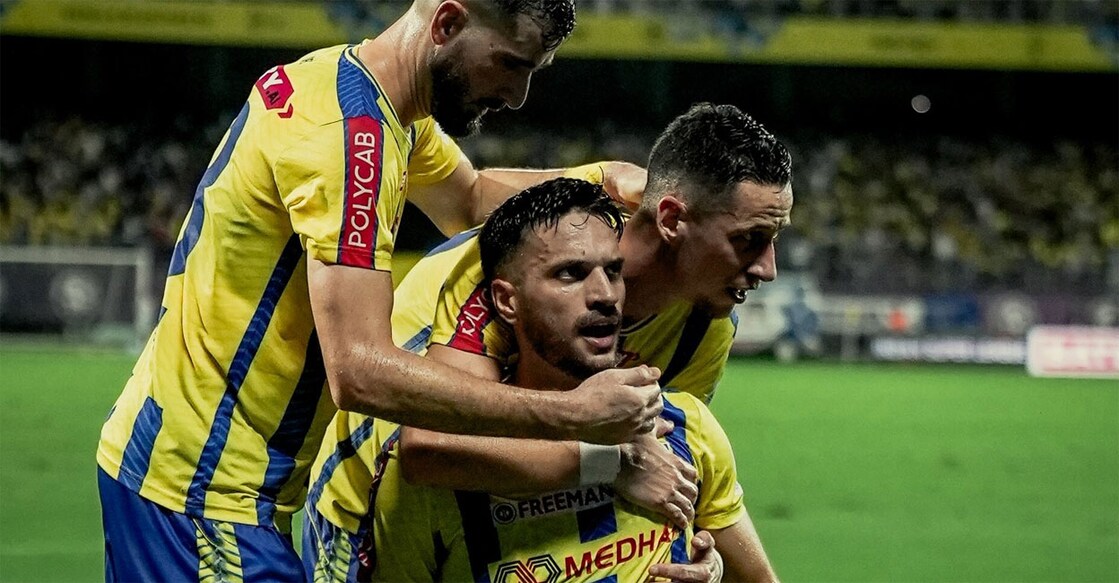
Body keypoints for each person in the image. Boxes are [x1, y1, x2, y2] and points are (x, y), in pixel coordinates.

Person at [95, 1, 663, 579]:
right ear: (447, 24)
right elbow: (360, 371)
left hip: (186, 471)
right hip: (203, 494)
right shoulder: (351, 140)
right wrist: (572, 415)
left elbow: (468, 200)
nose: (516, 95)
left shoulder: (360, 94)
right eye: (511, 63)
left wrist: (598, 178)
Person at [307, 103, 792, 581]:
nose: (768, 268)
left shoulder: (703, 327)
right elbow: (432, 449)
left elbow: (658, 459)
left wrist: (702, 557)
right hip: (373, 519)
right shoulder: (507, 263)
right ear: (670, 220)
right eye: (749, 239)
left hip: (524, 527)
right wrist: (604, 454)